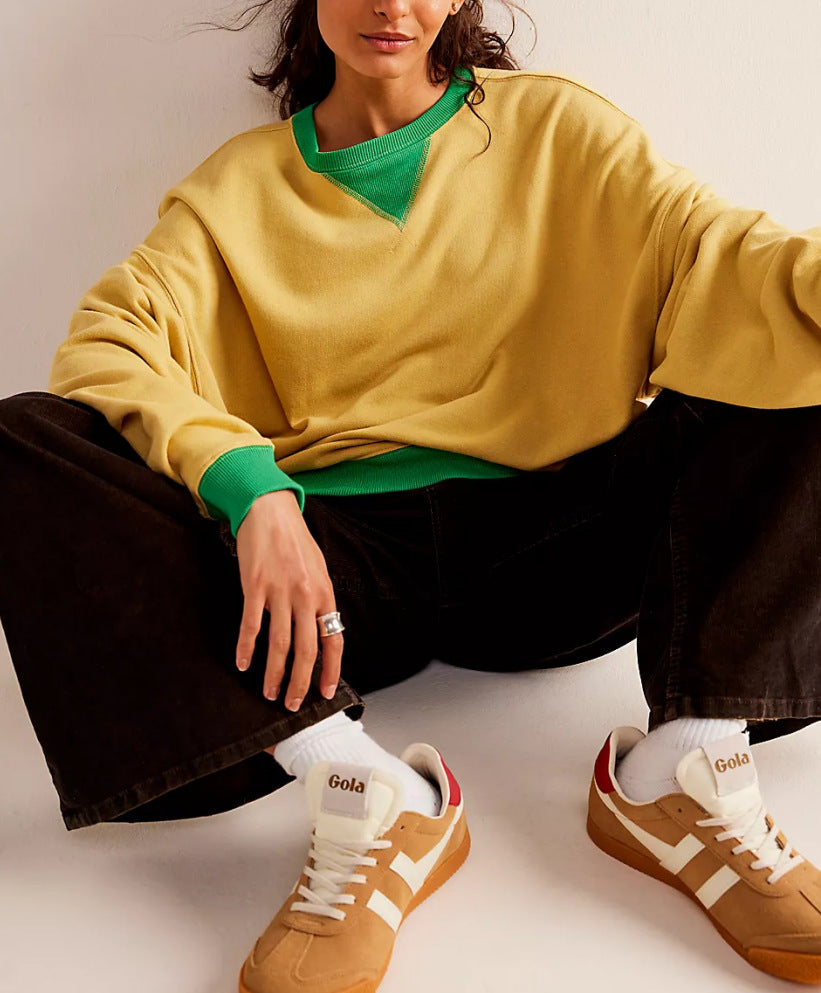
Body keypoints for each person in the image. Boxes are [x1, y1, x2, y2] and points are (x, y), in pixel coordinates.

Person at [2, 0, 821, 990]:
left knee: (794, 355)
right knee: (25, 436)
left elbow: (729, 265)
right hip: (333, 589)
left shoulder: (558, 131)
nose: (390, 4)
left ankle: (678, 770)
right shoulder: (235, 193)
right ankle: (358, 786)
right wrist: (253, 492)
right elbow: (109, 344)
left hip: (559, 545)